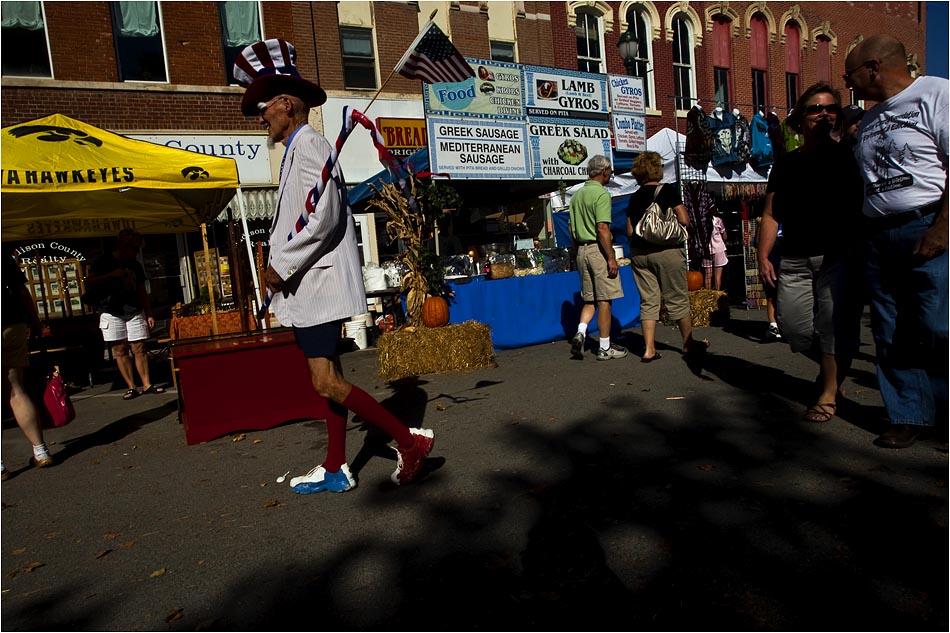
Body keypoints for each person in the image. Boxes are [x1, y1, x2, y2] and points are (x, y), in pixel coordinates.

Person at [234, 38, 433, 492]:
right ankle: (334, 466)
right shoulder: (301, 149)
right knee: (329, 379)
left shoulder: (308, 146)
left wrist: (279, 265)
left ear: (286, 104)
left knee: (325, 381)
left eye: (264, 106)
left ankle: (408, 442)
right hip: (311, 283)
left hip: (315, 283)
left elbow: (321, 218)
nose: (261, 116)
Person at [845, 34, 948, 448]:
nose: (846, 81)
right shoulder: (868, 120)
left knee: (939, 323)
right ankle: (909, 415)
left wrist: (943, 226)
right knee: (890, 329)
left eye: (849, 72)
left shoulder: (935, 93)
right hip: (879, 233)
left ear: (873, 67)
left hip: (926, 221)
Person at [757, 82, 864, 423]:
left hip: (837, 256)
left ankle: (829, 392)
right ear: (800, 119)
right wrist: (762, 256)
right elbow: (772, 213)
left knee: (832, 326)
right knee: (795, 329)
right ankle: (836, 367)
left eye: (831, 108)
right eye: (815, 109)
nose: (824, 114)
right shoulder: (786, 165)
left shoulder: (848, 157)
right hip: (794, 257)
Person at [626, 151, 708, 362]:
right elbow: (684, 219)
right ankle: (688, 344)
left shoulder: (634, 197)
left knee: (648, 301)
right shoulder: (667, 190)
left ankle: (649, 348)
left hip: (639, 253)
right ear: (657, 169)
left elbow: (629, 231)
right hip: (667, 252)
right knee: (677, 298)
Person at [85, 229, 165, 400]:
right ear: (124, 246)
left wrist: (149, 313)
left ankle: (147, 383)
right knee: (120, 349)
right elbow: (89, 280)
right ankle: (131, 386)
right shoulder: (104, 261)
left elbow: (142, 290)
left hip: (134, 309)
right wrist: (111, 275)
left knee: (139, 347)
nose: (136, 253)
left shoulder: (135, 264)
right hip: (111, 311)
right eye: (135, 249)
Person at [567, 154, 627, 361]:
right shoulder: (601, 194)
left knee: (589, 299)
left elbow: (571, 229)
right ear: (603, 171)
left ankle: (581, 332)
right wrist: (611, 257)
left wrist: (577, 252)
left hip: (581, 251)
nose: (611, 173)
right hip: (597, 250)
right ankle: (604, 347)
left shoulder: (576, 196)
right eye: (610, 170)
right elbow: (602, 228)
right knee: (604, 300)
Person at [2, 251, 55, 479]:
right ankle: (41, 450)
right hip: (10, 321)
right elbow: (21, 290)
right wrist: (34, 320)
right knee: (16, 390)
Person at [704, 210, 728, 290]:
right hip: (719, 249)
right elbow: (724, 236)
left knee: (708, 276)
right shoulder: (718, 220)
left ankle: (708, 296)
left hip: (706, 250)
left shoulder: (701, 222)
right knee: (718, 277)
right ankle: (717, 293)